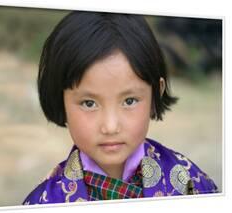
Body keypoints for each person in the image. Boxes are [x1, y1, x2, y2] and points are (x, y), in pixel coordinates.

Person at [23, 11, 218, 205]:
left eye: (130, 101)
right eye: (89, 103)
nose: (110, 126)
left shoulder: (190, 183)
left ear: (155, 95)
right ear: (60, 100)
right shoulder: (45, 201)